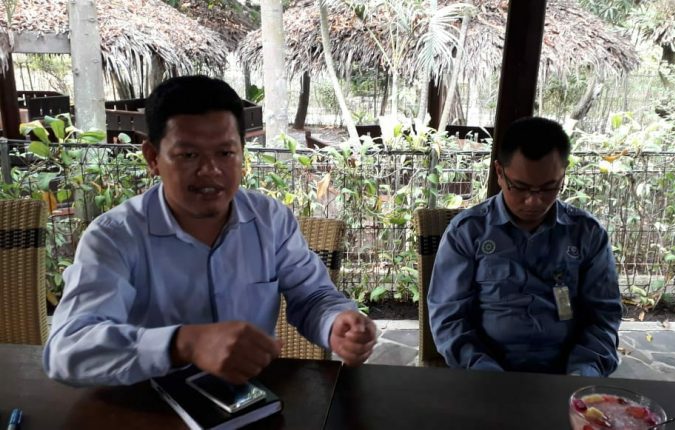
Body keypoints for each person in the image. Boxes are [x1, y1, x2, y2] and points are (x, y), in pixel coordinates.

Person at [44, 75, 377, 386]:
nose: (210, 170)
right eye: (188, 154)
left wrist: (336, 323)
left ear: (242, 153)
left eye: (225, 153)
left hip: (247, 400)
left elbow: (312, 296)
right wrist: (182, 343)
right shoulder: (115, 236)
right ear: (153, 157)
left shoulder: (270, 220)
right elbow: (67, 348)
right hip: (148, 403)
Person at [427, 117, 621, 376]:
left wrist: (581, 374)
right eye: (520, 187)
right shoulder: (467, 233)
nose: (533, 201)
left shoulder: (587, 234)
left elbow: (603, 316)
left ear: (563, 174)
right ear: (499, 172)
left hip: (566, 372)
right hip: (486, 373)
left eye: (549, 188)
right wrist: (485, 374)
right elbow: (449, 318)